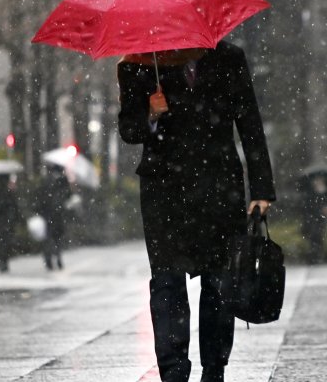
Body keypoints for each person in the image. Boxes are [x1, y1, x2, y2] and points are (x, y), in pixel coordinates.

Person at [117, 42, 275, 382]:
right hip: (164, 190)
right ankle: (174, 370)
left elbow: (249, 120)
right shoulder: (137, 63)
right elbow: (129, 130)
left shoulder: (229, 58)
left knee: (220, 280)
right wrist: (151, 114)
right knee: (167, 281)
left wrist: (262, 189)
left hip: (219, 186)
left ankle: (214, 368)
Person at [38, 164, 72, 270]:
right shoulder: (63, 181)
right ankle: (57, 258)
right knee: (57, 238)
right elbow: (68, 196)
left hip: (48, 214)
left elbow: (40, 197)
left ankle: (49, 259)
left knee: (49, 237)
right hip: (58, 214)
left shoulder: (46, 181)